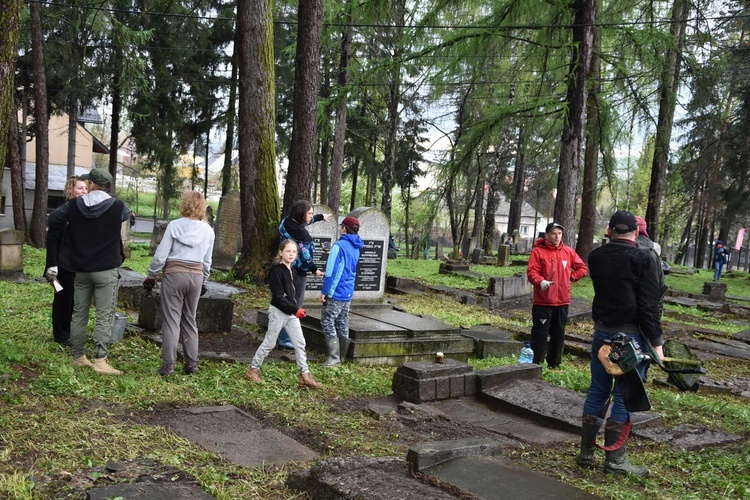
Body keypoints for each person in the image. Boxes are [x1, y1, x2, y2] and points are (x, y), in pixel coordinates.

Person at [576, 210, 664, 477]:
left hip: (602, 333)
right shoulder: (645, 257)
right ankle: (615, 461)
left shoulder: (596, 256)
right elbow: (648, 305)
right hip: (632, 338)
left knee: (597, 391)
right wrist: (657, 342)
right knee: (624, 398)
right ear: (636, 232)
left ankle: (586, 454)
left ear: (610, 231)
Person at [46, 168, 131, 375]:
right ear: (108, 186)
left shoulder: (75, 205)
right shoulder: (118, 206)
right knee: (104, 314)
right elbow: (128, 217)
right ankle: (100, 361)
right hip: (106, 268)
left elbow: (53, 219)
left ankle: (78, 356)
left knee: (79, 312)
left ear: (91, 184)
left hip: (80, 267)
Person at [144, 191, 215, 376]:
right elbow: (207, 261)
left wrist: (151, 275)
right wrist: (205, 280)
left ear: (184, 204)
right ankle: (192, 363)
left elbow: (160, 256)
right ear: (202, 207)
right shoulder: (208, 230)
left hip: (174, 274)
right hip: (196, 276)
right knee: (190, 319)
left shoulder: (174, 226)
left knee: (171, 320)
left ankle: (168, 365)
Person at [244, 239, 323, 389]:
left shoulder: (291, 270)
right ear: (281, 252)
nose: (291, 254)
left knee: (300, 343)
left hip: (291, 312)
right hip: (279, 312)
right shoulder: (277, 271)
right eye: (288, 251)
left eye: (294, 251)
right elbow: (278, 297)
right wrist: (295, 309)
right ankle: (253, 370)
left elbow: (291, 293)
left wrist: (294, 309)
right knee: (270, 342)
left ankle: (304, 375)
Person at [526, 222, 587, 368]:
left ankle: (554, 363)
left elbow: (582, 267)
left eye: (559, 233)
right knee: (540, 334)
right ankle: (535, 364)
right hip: (543, 301)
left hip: (562, 301)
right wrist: (541, 281)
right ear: (547, 235)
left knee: (559, 334)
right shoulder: (538, 252)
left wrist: (572, 277)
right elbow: (531, 272)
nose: (557, 236)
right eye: (554, 233)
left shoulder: (568, 251)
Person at [277, 200, 330, 349]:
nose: (311, 216)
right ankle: (285, 339)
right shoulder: (302, 235)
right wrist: (314, 269)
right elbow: (306, 256)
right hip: (298, 271)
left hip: (284, 266)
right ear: (301, 214)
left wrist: (320, 217)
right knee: (295, 304)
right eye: (310, 213)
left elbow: (305, 222)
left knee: (283, 300)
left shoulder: (287, 221)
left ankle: (278, 334)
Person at [45, 175, 88, 345]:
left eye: (85, 188)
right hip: (60, 265)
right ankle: (61, 336)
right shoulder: (62, 212)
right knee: (63, 298)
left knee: (76, 300)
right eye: (79, 188)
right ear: (70, 190)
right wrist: (52, 266)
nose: (83, 191)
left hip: (77, 264)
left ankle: (71, 332)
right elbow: (52, 241)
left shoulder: (84, 211)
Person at [319, 216, 364, 366]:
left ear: (344, 228)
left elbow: (331, 271)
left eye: (341, 226)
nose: (340, 229)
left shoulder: (339, 245)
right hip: (348, 290)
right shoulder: (356, 246)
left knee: (327, 319)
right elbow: (346, 265)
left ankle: (333, 357)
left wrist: (325, 291)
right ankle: (342, 357)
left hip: (336, 290)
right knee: (343, 321)